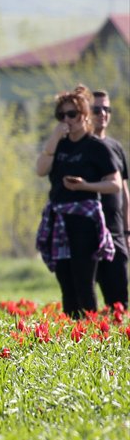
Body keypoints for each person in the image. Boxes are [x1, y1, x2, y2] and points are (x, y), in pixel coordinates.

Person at [34, 85, 119, 317]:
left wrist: (85, 185)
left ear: (84, 115)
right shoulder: (58, 145)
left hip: (85, 220)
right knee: (66, 283)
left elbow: (115, 184)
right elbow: (41, 170)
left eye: (72, 114)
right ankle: (72, 330)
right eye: (61, 115)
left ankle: (90, 334)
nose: (67, 120)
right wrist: (53, 138)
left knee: (83, 281)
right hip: (60, 219)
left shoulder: (96, 147)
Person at [92, 90, 129, 308]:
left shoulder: (116, 147)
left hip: (116, 234)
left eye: (106, 109)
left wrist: (127, 232)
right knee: (87, 303)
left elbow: (124, 191)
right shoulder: (82, 145)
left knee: (119, 302)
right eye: (96, 109)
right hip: (90, 233)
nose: (102, 114)